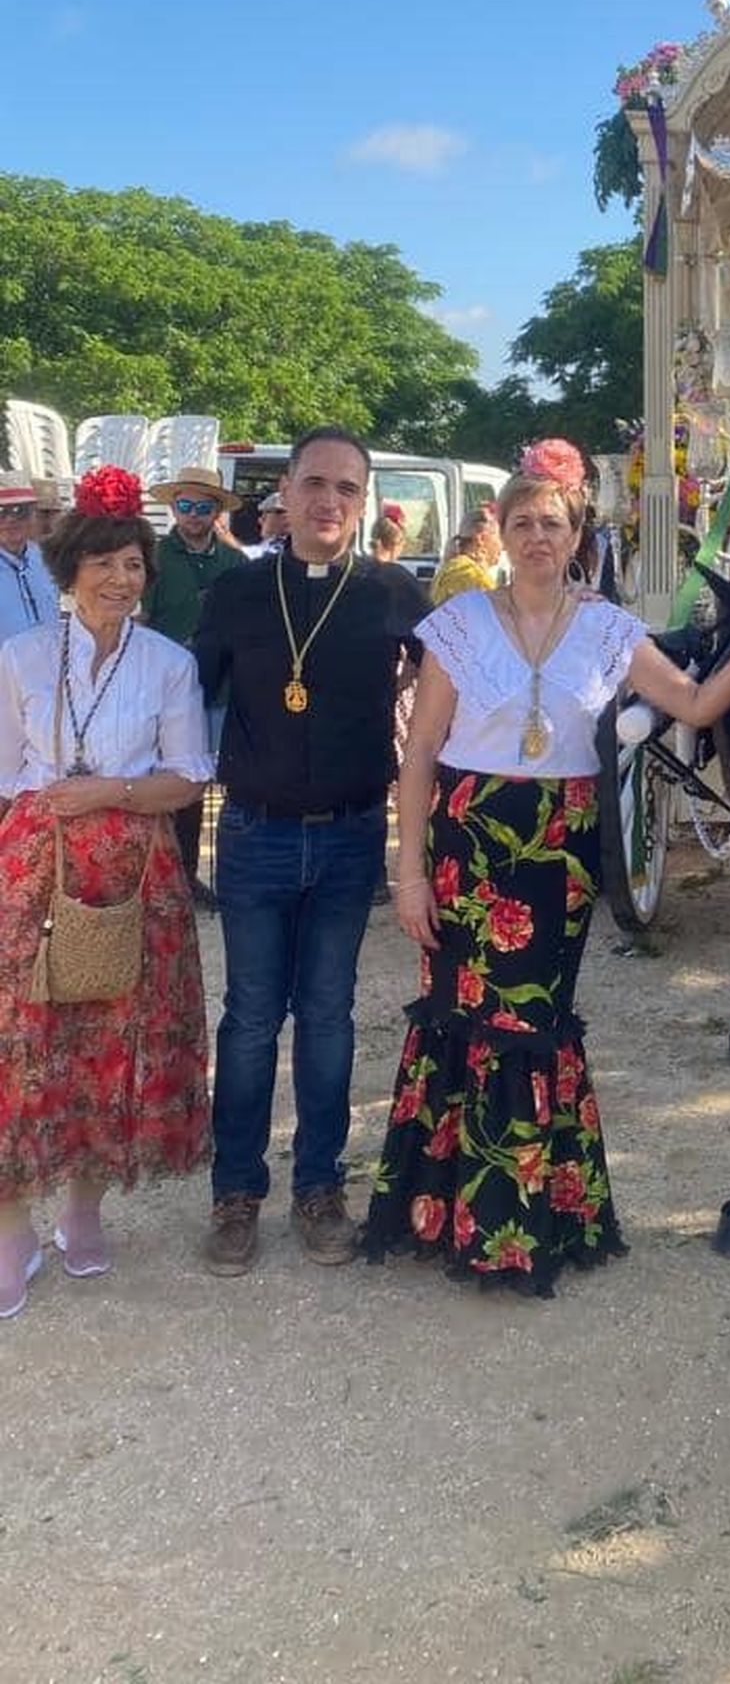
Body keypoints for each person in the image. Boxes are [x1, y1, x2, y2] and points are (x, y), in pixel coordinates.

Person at [362, 437, 730, 1295]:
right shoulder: (459, 622)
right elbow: (422, 748)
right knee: (456, 1016)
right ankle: (447, 1215)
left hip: (559, 851)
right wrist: (407, 866)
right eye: (522, 522)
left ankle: (524, 1219)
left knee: (532, 1025)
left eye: (553, 522)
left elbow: (692, 702)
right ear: (499, 532)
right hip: (469, 842)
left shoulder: (611, 631)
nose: (538, 535)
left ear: (578, 534)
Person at [194, 427, 430, 1276]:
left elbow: (466, 678)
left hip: (350, 832)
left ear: (363, 503)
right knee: (252, 1019)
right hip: (255, 833)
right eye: (316, 483)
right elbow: (186, 702)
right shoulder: (235, 592)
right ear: (284, 493)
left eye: (348, 489)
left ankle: (320, 1188)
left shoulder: (394, 590)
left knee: (328, 1016)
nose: (330, 501)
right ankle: (236, 1193)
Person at [0, 469, 212, 1318]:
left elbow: (189, 776)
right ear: (70, 566)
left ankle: (82, 1210)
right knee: (20, 1047)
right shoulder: (15, 657)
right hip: (30, 865)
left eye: (135, 565)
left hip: (132, 870)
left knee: (107, 1044)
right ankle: (13, 1229)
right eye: (106, 562)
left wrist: (109, 795)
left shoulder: (168, 662)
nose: (121, 579)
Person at [143, 467, 247, 908]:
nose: (193, 515)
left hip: (222, 690)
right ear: (173, 508)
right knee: (176, 789)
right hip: (167, 693)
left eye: (204, 507)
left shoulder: (235, 563)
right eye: (185, 505)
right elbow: (141, 623)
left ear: (216, 512)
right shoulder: (153, 558)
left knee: (229, 789)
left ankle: (219, 878)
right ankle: (175, 876)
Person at [0, 483, 53, 647]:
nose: (10, 520)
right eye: (1, 512)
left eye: (19, 511)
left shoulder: (47, 560)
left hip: (51, 666)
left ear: (33, 515)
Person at [428, 508, 500, 604]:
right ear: (481, 539)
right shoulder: (474, 578)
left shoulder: (447, 570)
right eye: (499, 537)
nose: (502, 546)